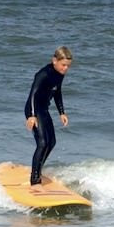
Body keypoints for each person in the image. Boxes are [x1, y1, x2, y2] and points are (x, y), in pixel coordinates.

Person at [25, 46, 73, 189]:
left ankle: (38, 171)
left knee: (51, 142)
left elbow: (57, 92)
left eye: (68, 66)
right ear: (54, 61)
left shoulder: (60, 74)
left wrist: (62, 112)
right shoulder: (43, 74)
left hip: (43, 109)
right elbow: (33, 94)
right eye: (63, 65)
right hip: (34, 109)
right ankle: (34, 180)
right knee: (42, 142)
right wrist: (32, 116)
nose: (65, 69)